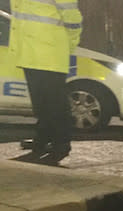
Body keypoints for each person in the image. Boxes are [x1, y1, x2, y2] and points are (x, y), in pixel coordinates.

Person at [9, 0, 82, 165]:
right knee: (40, 104)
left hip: (51, 52)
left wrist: (68, 45)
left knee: (55, 103)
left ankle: (61, 144)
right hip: (30, 52)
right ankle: (42, 141)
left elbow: (73, 18)